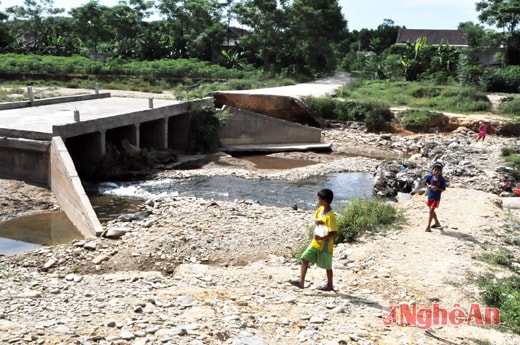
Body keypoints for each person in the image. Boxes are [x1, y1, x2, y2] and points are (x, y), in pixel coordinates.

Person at [289, 188, 338, 291]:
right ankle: (301, 281)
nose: (318, 201)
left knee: (327, 266)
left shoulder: (331, 216)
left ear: (324, 201)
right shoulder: (320, 210)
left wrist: (322, 237)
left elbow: (334, 232)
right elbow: (317, 220)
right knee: (304, 257)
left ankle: (330, 285)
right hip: (315, 242)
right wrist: (317, 222)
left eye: (319, 199)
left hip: (325, 246)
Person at [425, 162, 447, 232]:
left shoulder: (442, 179)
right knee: (431, 211)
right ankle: (437, 223)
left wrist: (437, 188)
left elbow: (443, 189)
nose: (436, 172)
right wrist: (429, 186)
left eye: (438, 170)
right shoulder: (430, 176)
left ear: (441, 171)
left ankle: (428, 226)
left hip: (436, 197)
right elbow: (427, 182)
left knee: (431, 210)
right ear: (433, 170)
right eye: (435, 170)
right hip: (430, 195)